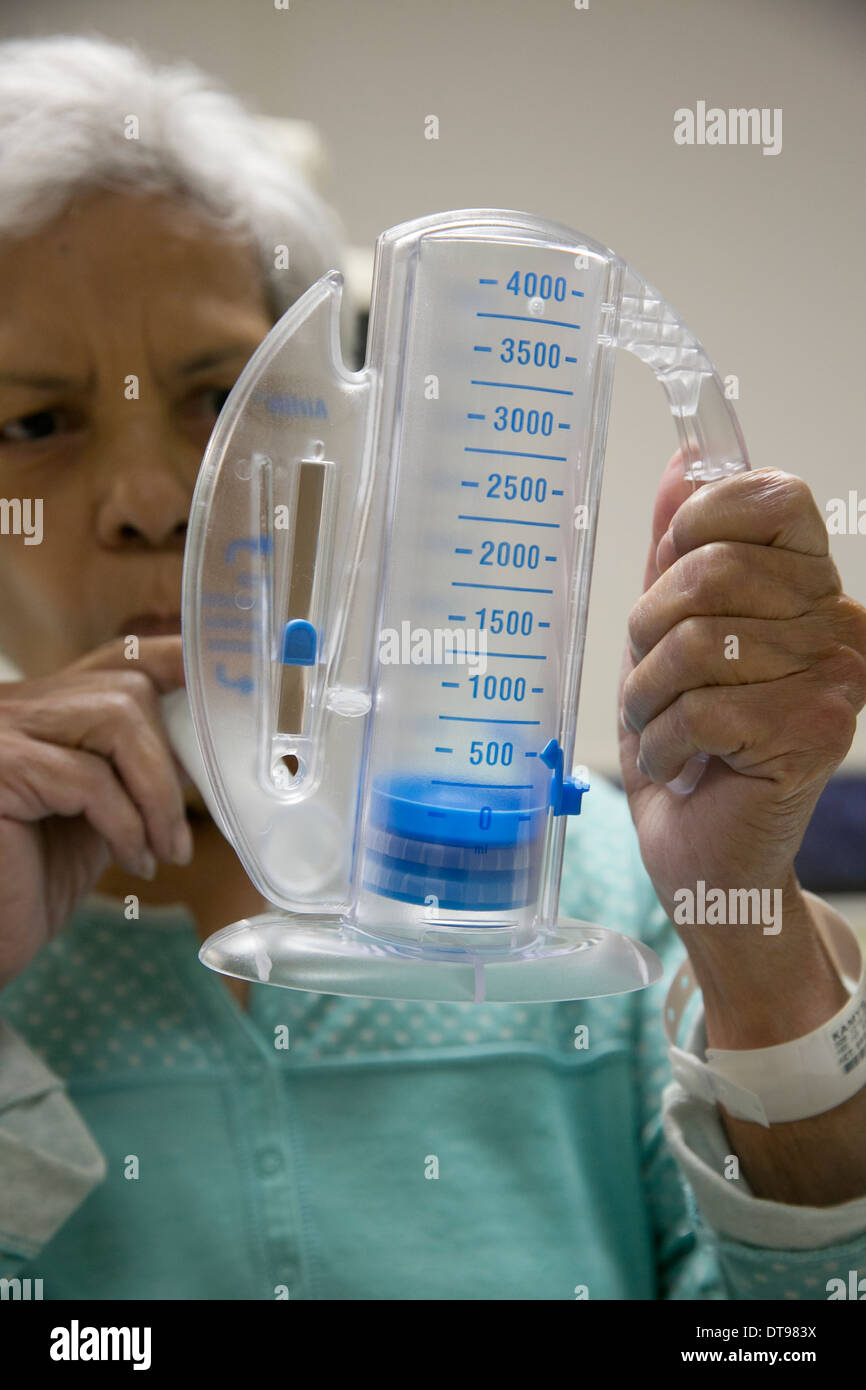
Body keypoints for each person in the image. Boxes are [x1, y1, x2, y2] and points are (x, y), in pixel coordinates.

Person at [0, 34, 864, 1302]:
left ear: (356, 414)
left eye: (217, 392)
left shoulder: (600, 889)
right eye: (32, 420)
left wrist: (748, 943)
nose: (152, 497)